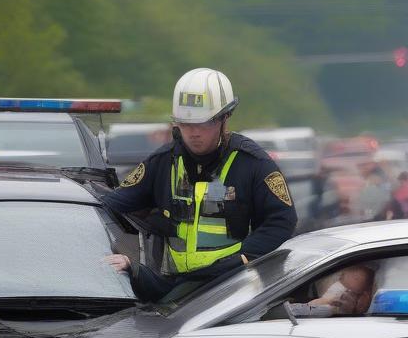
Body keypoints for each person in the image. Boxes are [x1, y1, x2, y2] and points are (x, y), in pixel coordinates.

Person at [102, 67, 297, 300]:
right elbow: (111, 206)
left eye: (203, 123)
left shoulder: (254, 164)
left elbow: (282, 221)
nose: (193, 132)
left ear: (225, 117)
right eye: (185, 124)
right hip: (174, 290)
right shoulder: (162, 162)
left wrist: (243, 259)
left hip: (232, 287)